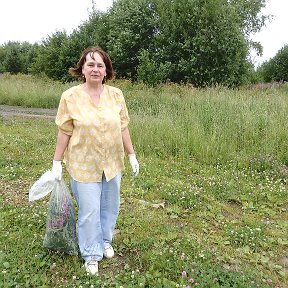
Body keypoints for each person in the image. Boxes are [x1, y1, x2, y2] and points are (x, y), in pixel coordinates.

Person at [50, 47, 139, 275]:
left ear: (106, 70)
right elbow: (65, 132)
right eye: (90, 65)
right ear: (82, 69)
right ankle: (91, 252)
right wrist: (56, 162)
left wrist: (132, 155)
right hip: (83, 164)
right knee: (89, 210)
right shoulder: (70, 97)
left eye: (100, 65)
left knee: (110, 206)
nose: (95, 69)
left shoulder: (116, 95)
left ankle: (105, 240)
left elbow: (123, 127)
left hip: (112, 162)